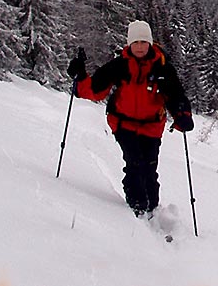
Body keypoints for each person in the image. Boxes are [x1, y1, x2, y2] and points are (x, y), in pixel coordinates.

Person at [67, 20, 193, 218]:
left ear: (150, 43)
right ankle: (137, 205)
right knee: (135, 162)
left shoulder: (162, 68)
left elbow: (175, 94)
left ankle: (152, 205)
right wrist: (79, 77)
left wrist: (182, 115)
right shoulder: (119, 66)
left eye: (144, 42)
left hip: (151, 125)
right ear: (129, 44)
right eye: (136, 42)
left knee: (150, 166)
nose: (140, 47)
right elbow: (95, 89)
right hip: (123, 123)